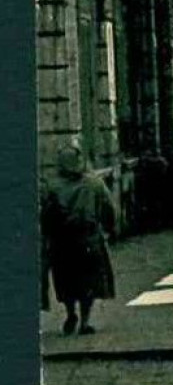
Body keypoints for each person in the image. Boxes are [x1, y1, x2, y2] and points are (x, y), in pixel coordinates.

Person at [40, 144, 116, 336]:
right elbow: (109, 208)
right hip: (88, 240)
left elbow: (45, 215)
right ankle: (85, 321)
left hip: (61, 243)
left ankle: (70, 313)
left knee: (66, 281)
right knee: (88, 282)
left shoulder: (52, 186)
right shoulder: (94, 183)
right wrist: (109, 229)